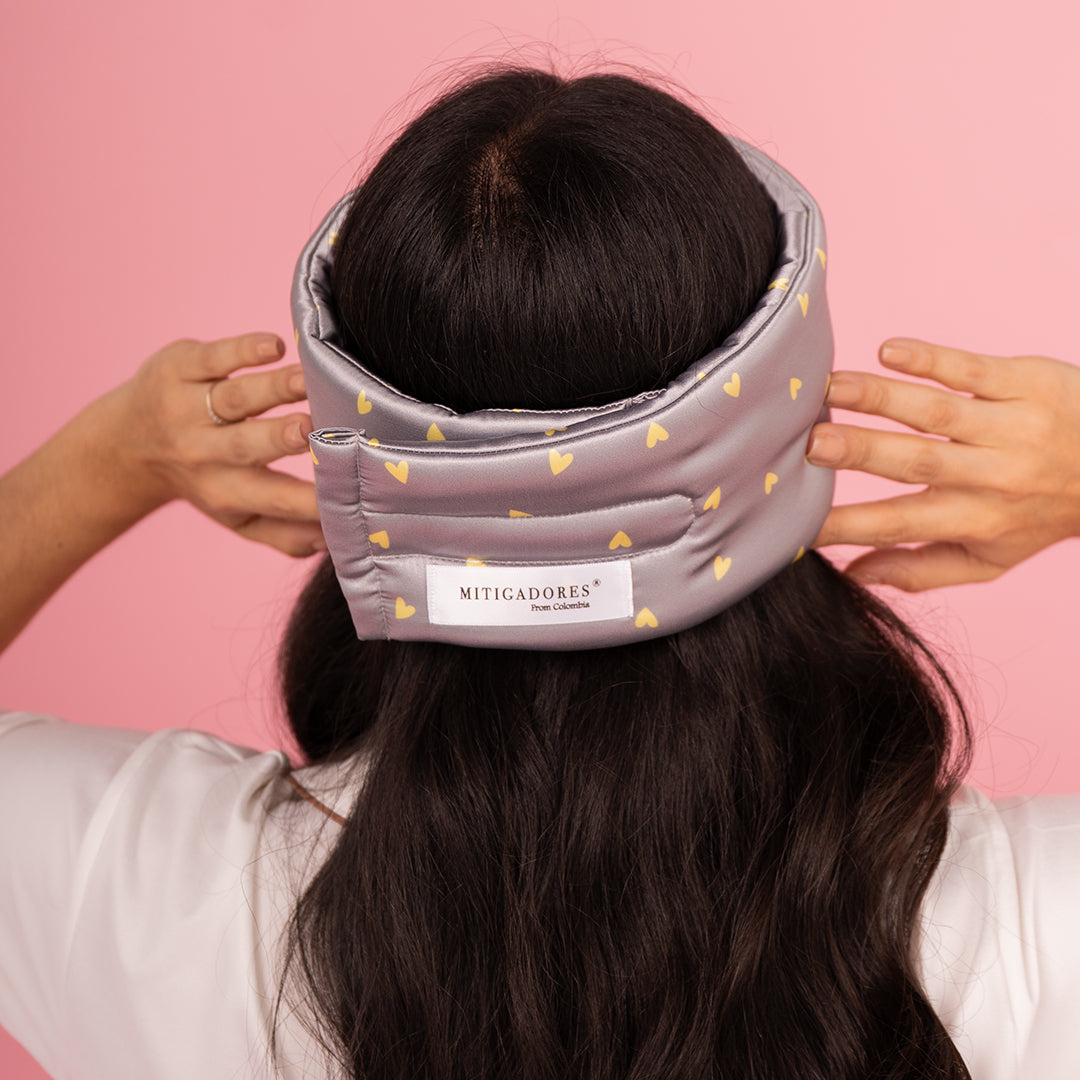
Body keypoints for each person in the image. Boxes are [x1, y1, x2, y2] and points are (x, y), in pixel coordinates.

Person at [1, 67, 1079, 1080]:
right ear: (789, 405)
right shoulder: (1034, 923)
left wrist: (114, 456)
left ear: (354, 435)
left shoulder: (136, 893)